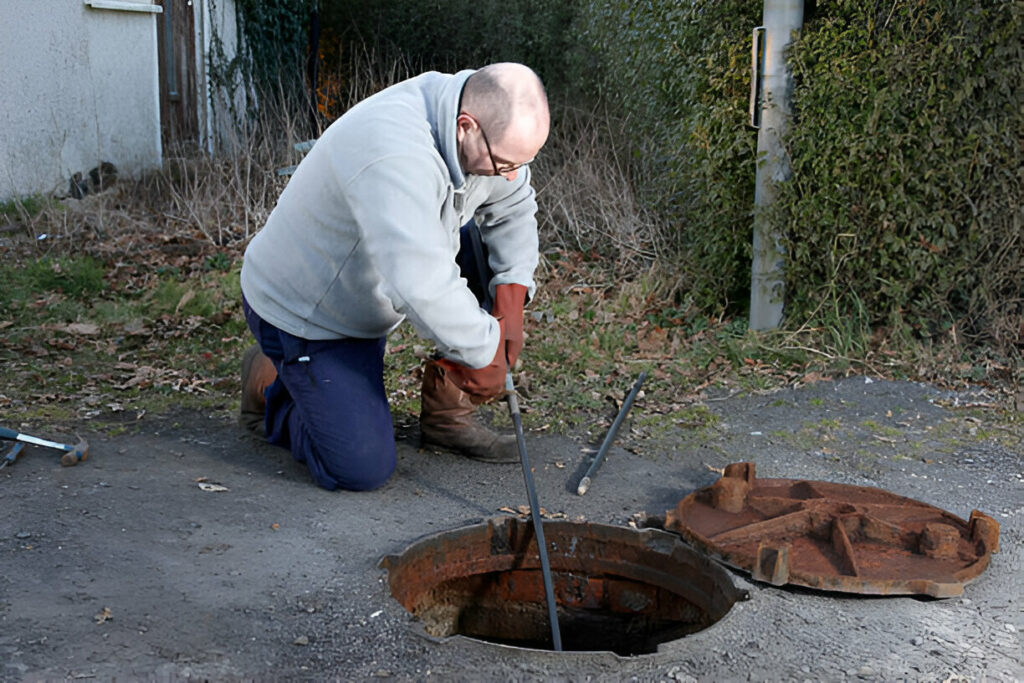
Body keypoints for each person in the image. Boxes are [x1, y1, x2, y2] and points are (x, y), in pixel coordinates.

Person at [238, 62, 550, 491]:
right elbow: (419, 282)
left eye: (523, 162)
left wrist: (511, 302)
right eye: (506, 163)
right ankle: (273, 384)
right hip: (309, 311)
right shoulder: (393, 150)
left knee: (480, 251)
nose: (512, 174)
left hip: (372, 280)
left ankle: (447, 416)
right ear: (465, 127)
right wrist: (486, 353)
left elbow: (514, 205)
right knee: (361, 467)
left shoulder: (485, 127)